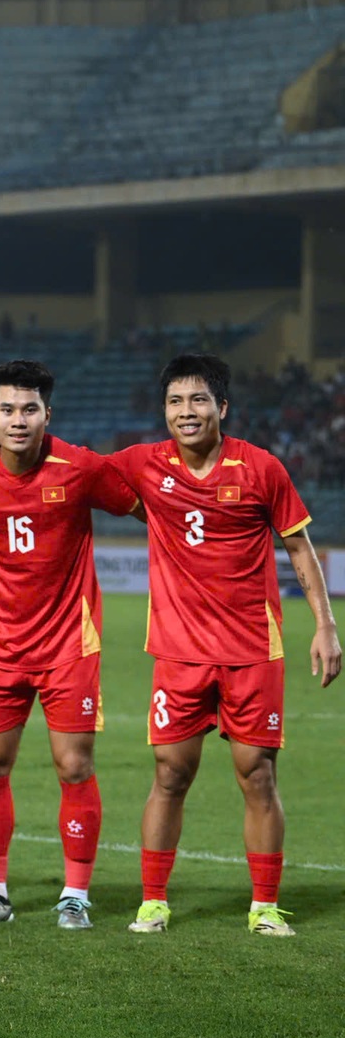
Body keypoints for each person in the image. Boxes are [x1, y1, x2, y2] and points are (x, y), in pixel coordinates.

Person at [110, 353, 339, 936]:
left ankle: (264, 905)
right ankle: (154, 900)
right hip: (179, 651)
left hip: (251, 651)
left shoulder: (261, 468)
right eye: (175, 402)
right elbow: (67, 467)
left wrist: (326, 626)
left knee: (257, 775)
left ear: (222, 408)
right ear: (163, 411)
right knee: (169, 775)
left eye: (198, 401)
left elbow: (299, 548)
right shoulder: (142, 464)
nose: (186, 412)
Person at [0, 359, 139, 930]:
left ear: (47, 414)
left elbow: (144, 505)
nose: (18, 419)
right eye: (7, 409)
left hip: (68, 646)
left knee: (74, 766)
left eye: (29, 409)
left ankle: (75, 894)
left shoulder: (79, 468)